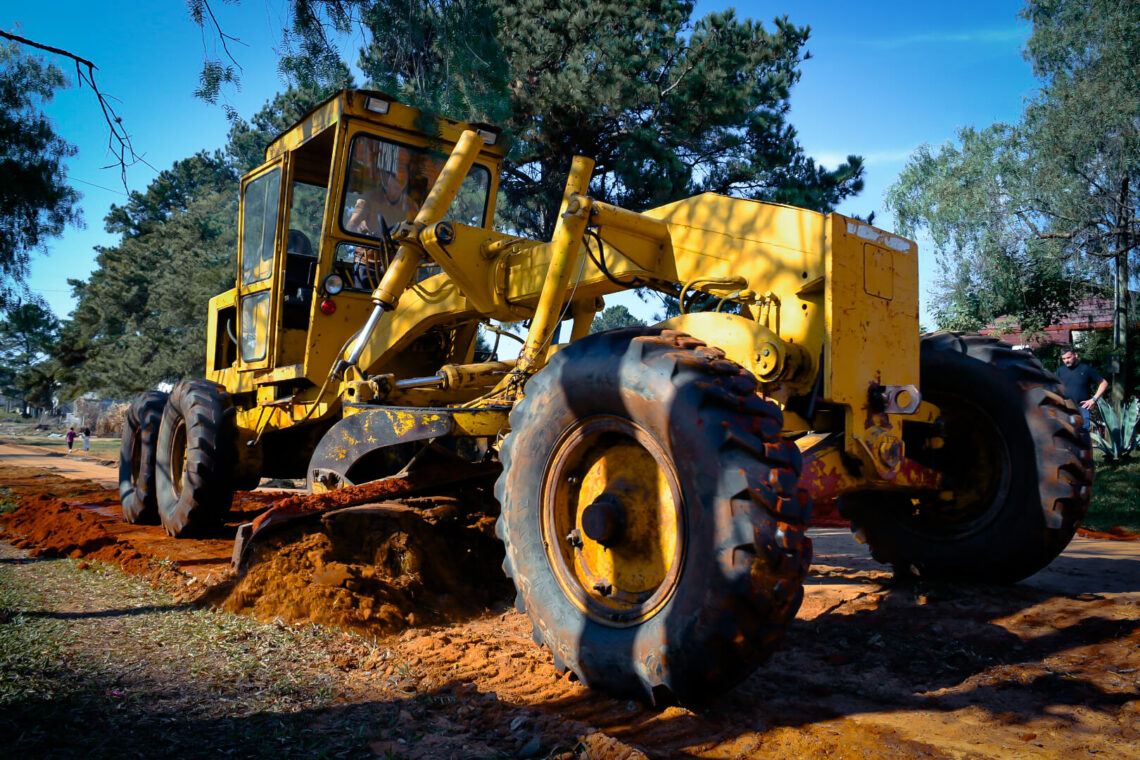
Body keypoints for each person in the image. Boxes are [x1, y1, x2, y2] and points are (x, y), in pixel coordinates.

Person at [1056, 346, 1108, 428]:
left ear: (1075, 355)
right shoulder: (1060, 370)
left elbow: (1103, 383)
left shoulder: (1086, 369)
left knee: (1082, 436)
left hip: (1082, 409)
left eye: (1069, 357)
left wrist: (1094, 399)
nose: (1066, 361)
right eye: (1064, 359)